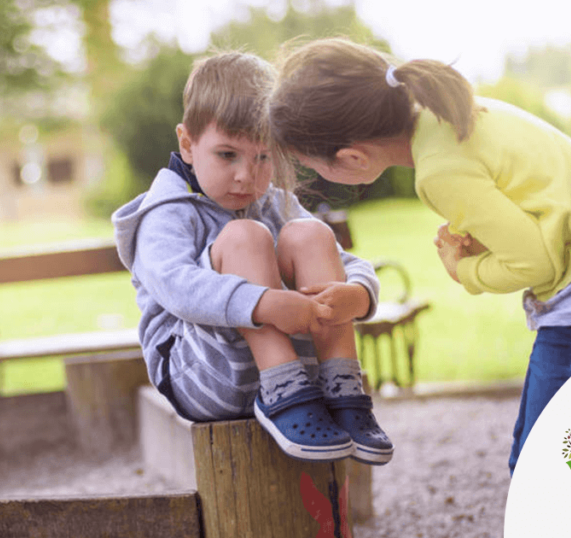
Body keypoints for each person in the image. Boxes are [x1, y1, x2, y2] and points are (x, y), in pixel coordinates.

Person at [266, 38, 571, 474]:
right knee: (550, 452)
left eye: (311, 164)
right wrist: (491, 241)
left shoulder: (440, 170)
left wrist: (465, 270)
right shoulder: (445, 114)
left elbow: (536, 263)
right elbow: (536, 200)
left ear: (351, 157)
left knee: (545, 463)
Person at [112, 51, 394, 465]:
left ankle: (343, 386)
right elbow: (176, 287)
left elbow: (342, 259)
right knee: (245, 237)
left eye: (263, 157)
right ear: (188, 144)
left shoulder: (274, 201)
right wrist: (262, 303)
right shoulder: (166, 212)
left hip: (304, 378)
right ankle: (284, 392)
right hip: (203, 376)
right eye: (227, 155)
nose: (247, 175)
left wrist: (358, 294)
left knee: (310, 232)